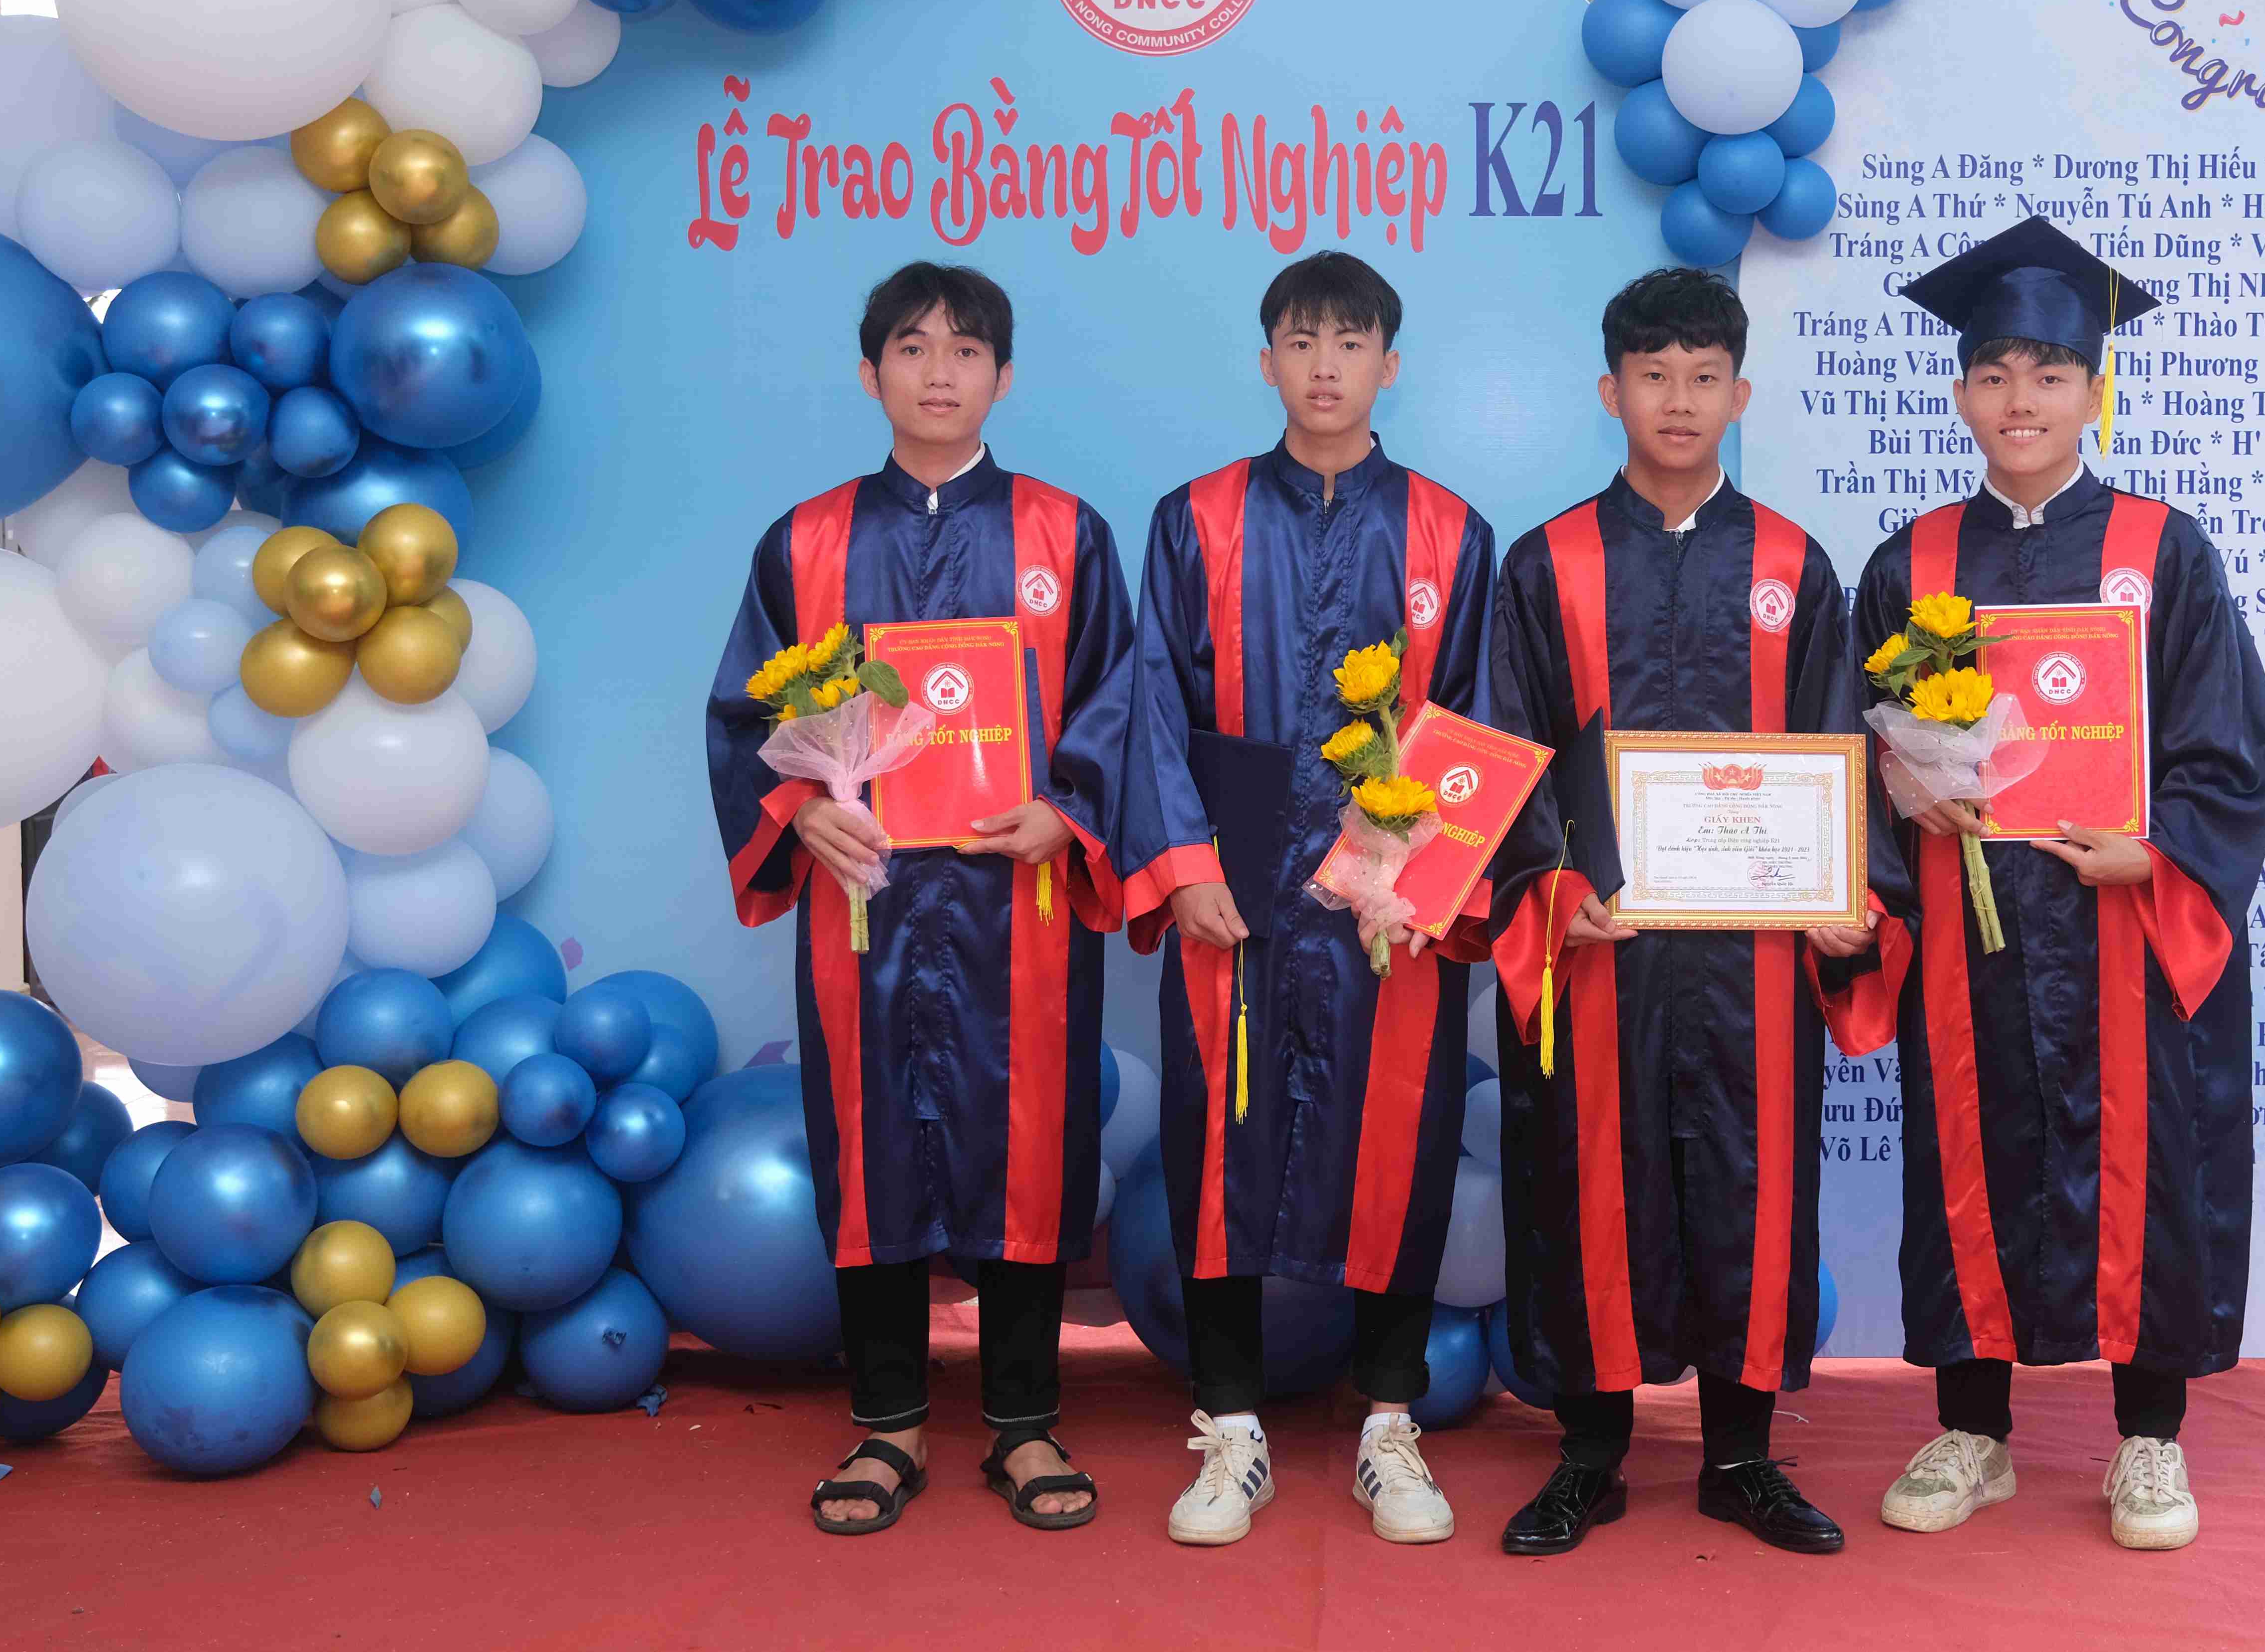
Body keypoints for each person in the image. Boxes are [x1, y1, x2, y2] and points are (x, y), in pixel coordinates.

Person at [1849, 217, 2265, 1551]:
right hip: (1967, 932)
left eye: (2047, 373)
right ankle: (1973, 1430)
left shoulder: (2165, 550)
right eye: (1993, 374)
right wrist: (1906, 797)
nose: (2019, 399)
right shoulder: (1910, 565)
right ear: (1960, 394)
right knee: (1970, 1157)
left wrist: (2158, 850)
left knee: (2145, 1168)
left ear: (2096, 389)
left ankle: (2149, 1438)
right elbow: (1861, 754)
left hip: (2119, 928)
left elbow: (2226, 745)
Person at [1482, 268, 1910, 1558]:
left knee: (1748, 1181)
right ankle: (1589, 1457)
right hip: (1599, 950)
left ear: (1741, 394)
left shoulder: (1792, 566)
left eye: (1704, 376)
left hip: (1752, 960)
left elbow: (1840, 749)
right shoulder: (1546, 564)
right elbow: (1505, 755)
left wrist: (1851, 899)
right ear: (1610, 390)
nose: (1679, 399)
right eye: (1654, 375)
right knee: (1585, 1182)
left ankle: (1740, 1457)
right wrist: (1551, 888)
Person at [706, 261, 1134, 1537]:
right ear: (869, 372)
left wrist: (1072, 812)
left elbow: (1120, 703)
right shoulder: (806, 541)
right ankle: (887, 1421)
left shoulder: (1065, 534)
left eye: (965, 350)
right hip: (867, 904)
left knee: (1029, 1145)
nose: (939, 371)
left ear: (1003, 377)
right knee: (873, 1140)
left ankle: (1024, 1419)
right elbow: (747, 714)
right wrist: (802, 809)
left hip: (1023, 905)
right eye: (911, 347)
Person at [1117, 250, 1501, 1547]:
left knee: (1397, 1145)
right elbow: (1152, 702)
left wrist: (1426, 884)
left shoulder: (1451, 532)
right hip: (1236, 899)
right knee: (1219, 1147)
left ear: (1390, 364)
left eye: (1350, 343)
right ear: (1267, 360)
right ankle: (1230, 1428)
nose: (1325, 366)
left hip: (1392, 913)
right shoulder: (1197, 520)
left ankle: (1389, 1423)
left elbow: (1479, 724)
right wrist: (1184, 867)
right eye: (1301, 341)